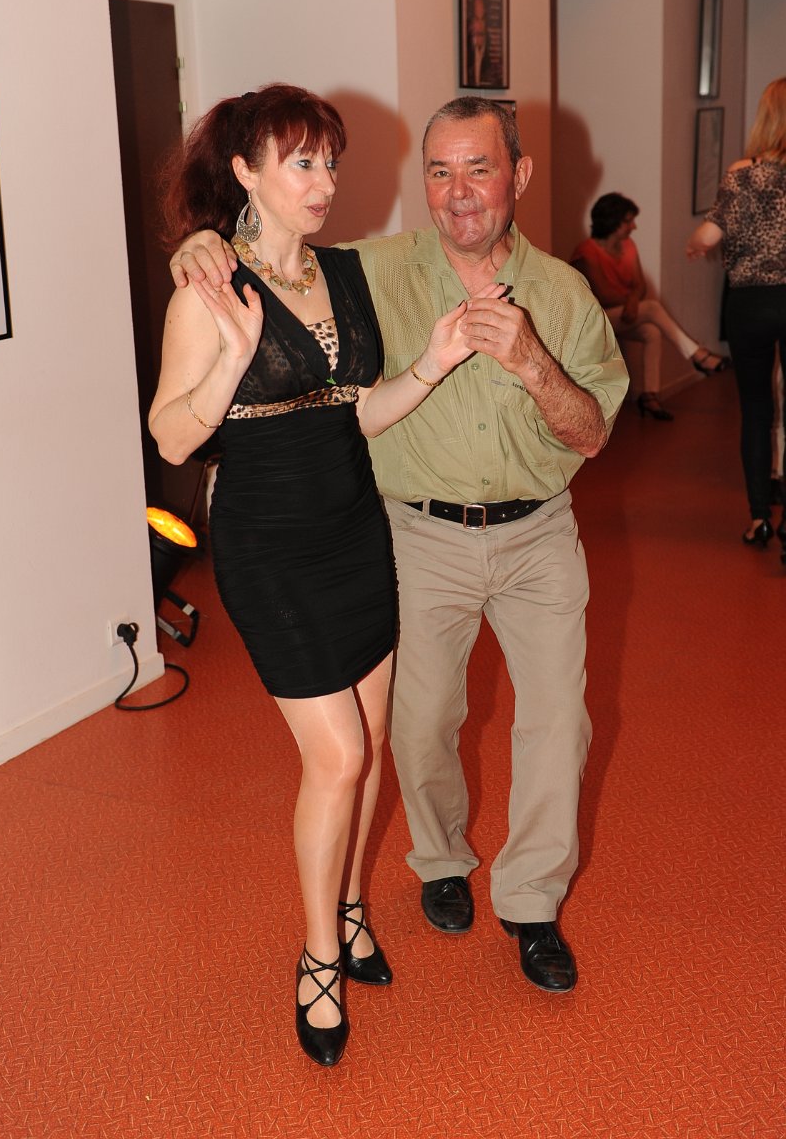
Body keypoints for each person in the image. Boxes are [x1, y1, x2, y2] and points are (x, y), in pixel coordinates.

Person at [168, 95, 629, 996]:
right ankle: (440, 859)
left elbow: (592, 434)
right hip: (412, 531)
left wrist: (531, 360)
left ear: (518, 176)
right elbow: (271, 269)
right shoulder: (370, 270)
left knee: (555, 723)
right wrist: (200, 243)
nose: (458, 192)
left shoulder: (563, 294)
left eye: (479, 169)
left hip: (535, 533)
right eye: (439, 171)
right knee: (414, 727)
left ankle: (530, 901)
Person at [149, 84, 498, 1067]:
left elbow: (358, 413)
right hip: (267, 546)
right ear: (245, 172)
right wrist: (232, 358)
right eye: (300, 161)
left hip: (353, 530)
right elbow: (170, 435)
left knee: (371, 741)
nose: (323, 182)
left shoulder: (341, 272)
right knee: (337, 757)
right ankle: (316, 958)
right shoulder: (208, 288)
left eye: (330, 162)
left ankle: (350, 906)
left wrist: (433, 362)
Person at [687, 77, 786, 557]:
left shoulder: (741, 174)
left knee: (756, 410)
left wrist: (695, 244)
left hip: (749, 302)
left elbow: (708, 237)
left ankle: (759, 519)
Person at [572, 193, 728, 421]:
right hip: (594, 319)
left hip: (623, 314)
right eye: (628, 221)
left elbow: (640, 285)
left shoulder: (628, 246)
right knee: (652, 308)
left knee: (651, 332)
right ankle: (698, 355)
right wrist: (632, 301)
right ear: (613, 222)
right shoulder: (587, 251)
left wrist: (632, 302)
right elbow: (602, 295)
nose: (633, 226)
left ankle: (649, 396)